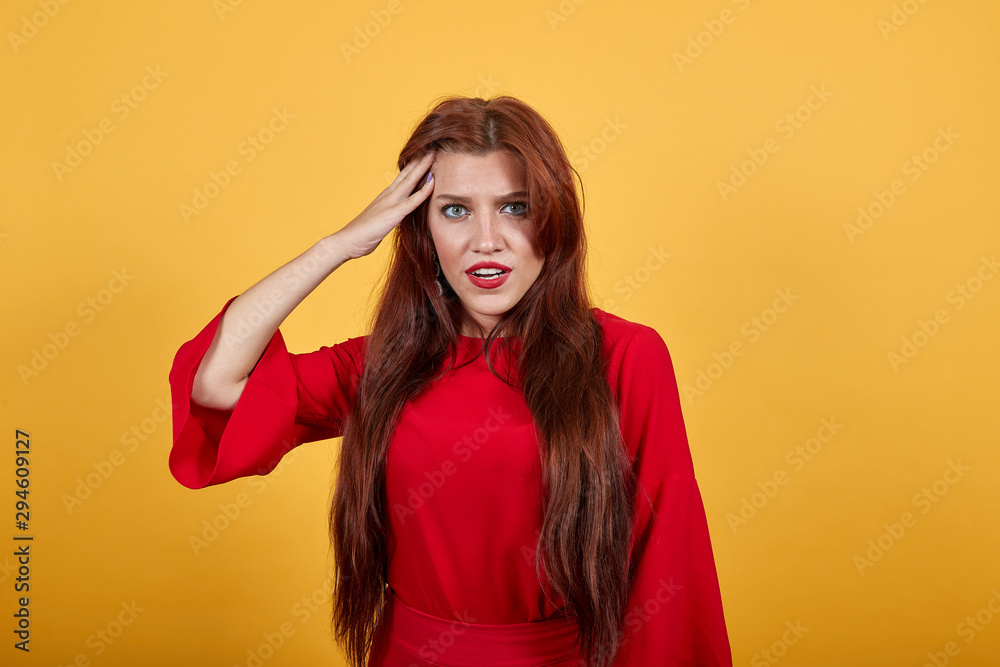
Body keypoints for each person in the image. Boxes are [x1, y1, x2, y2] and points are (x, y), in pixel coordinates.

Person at [167, 95, 732, 667]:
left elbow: (668, 563)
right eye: (455, 210)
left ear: (554, 219)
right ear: (422, 228)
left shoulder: (625, 357)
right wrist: (338, 246)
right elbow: (216, 385)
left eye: (515, 207)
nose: (486, 240)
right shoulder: (385, 365)